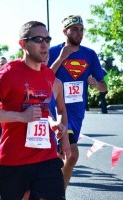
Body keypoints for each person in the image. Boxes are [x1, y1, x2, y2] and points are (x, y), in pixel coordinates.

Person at [0, 21, 70, 200]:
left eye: (47, 39)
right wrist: (21, 117)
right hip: (14, 161)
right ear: (23, 43)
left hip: (46, 157)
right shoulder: (8, 73)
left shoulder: (49, 75)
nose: (45, 44)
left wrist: (54, 123)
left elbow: (43, 111)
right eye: (38, 39)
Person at [47, 15, 107, 190]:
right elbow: (43, 77)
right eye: (74, 29)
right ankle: (57, 193)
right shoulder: (52, 52)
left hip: (76, 113)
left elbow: (104, 87)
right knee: (71, 155)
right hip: (56, 110)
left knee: (64, 156)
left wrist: (97, 84)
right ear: (65, 31)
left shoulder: (89, 54)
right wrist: (61, 58)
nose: (79, 33)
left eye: (81, 30)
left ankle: (55, 192)